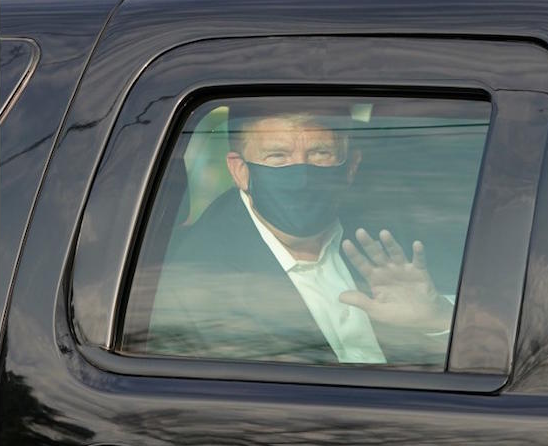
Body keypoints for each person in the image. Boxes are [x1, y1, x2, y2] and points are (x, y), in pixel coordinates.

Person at [147, 111, 453, 365]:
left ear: (351, 166)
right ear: (240, 171)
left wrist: (436, 321)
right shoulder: (193, 282)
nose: (302, 176)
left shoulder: (400, 232)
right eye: (278, 157)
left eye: (320, 154)